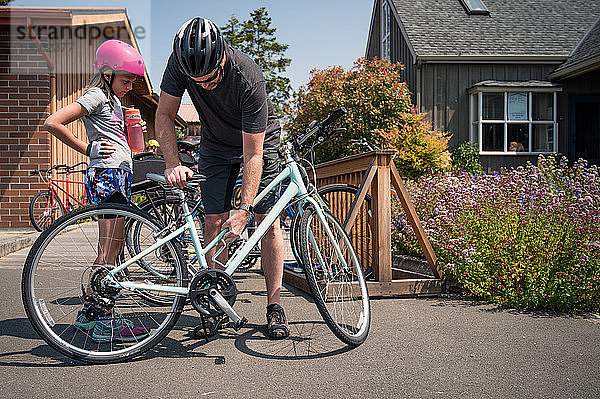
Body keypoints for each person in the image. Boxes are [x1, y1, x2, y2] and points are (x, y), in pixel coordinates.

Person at [156, 17, 289, 339]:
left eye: (210, 77)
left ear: (222, 58)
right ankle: (217, 301)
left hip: (259, 144)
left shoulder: (248, 77)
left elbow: (252, 155)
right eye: (196, 80)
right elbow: (163, 114)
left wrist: (244, 210)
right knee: (213, 221)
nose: (203, 85)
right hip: (214, 144)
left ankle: (274, 306)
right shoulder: (178, 63)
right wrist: (172, 162)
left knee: (266, 222)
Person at [43, 39, 148, 342]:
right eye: (126, 79)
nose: (129, 85)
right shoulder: (96, 96)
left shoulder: (114, 102)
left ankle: (93, 316)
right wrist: (87, 148)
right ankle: (99, 319)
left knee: (114, 251)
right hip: (107, 174)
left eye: (132, 81)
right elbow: (54, 122)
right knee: (107, 250)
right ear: (107, 73)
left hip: (119, 174)